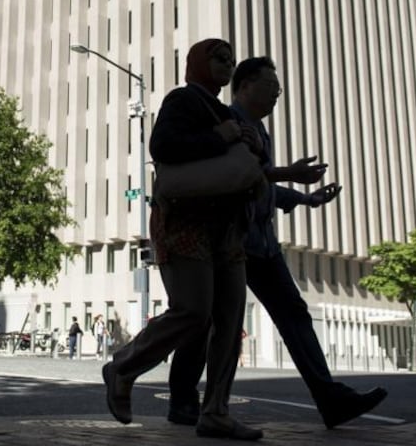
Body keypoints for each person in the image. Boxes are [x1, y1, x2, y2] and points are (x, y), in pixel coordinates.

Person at [164, 55, 387, 429]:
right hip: (228, 241)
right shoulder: (227, 120)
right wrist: (292, 175)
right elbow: (234, 177)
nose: (276, 95)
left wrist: (306, 198)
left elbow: (260, 186)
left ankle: (329, 398)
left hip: (262, 245)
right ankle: (184, 400)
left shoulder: (260, 132)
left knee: (293, 314)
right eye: (271, 86)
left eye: (279, 89)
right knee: (208, 323)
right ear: (245, 85)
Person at [101, 38, 263, 441]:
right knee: (194, 310)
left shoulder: (224, 112)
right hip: (186, 223)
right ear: (197, 63)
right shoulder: (183, 100)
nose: (227, 65)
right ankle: (123, 366)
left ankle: (216, 411)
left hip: (226, 228)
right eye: (218, 58)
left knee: (228, 320)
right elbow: (163, 147)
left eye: (231, 59)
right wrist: (222, 136)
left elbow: (236, 168)